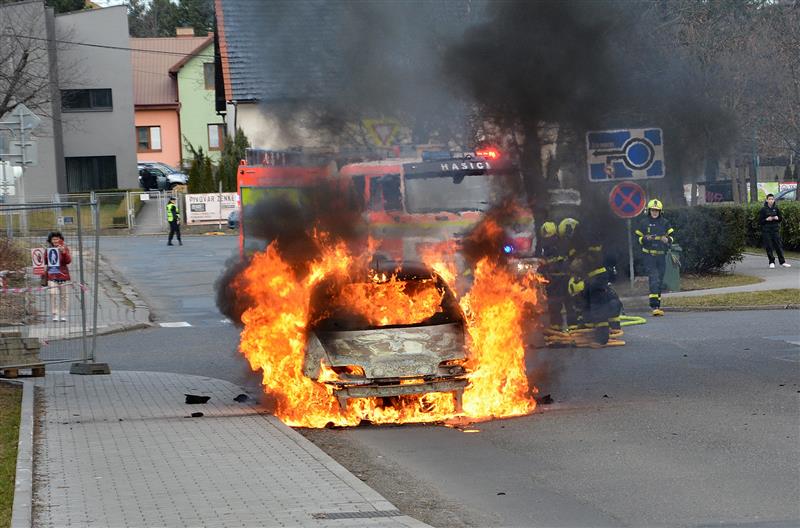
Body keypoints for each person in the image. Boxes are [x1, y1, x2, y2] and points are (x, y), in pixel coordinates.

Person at [634, 199, 674, 316]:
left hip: (661, 256)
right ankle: (654, 306)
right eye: (653, 210)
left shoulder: (665, 223)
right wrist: (645, 239)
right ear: (649, 210)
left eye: (657, 210)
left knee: (659, 280)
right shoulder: (643, 223)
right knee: (654, 278)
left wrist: (667, 240)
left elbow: (672, 237)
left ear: (660, 211)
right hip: (649, 256)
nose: (655, 212)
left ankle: (658, 305)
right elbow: (637, 239)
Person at [45, 231, 72, 322]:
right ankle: (55, 314)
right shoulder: (48, 249)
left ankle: (63, 314)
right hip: (52, 275)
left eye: (57, 239)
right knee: (53, 293)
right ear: (50, 240)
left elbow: (68, 261)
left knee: (64, 296)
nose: (55, 240)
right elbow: (45, 261)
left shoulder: (64, 248)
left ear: (60, 239)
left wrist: (63, 252)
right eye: (53, 239)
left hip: (63, 275)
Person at [759, 193, 790, 268]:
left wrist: (777, 218)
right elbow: (760, 221)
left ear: (774, 200)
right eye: (769, 199)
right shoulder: (763, 209)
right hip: (767, 230)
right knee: (769, 246)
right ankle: (771, 262)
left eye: (772, 199)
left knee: (778, 246)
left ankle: (782, 262)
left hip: (775, 229)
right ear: (767, 200)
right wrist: (766, 219)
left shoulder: (776, 208)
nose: (771, 201)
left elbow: (780, 219)